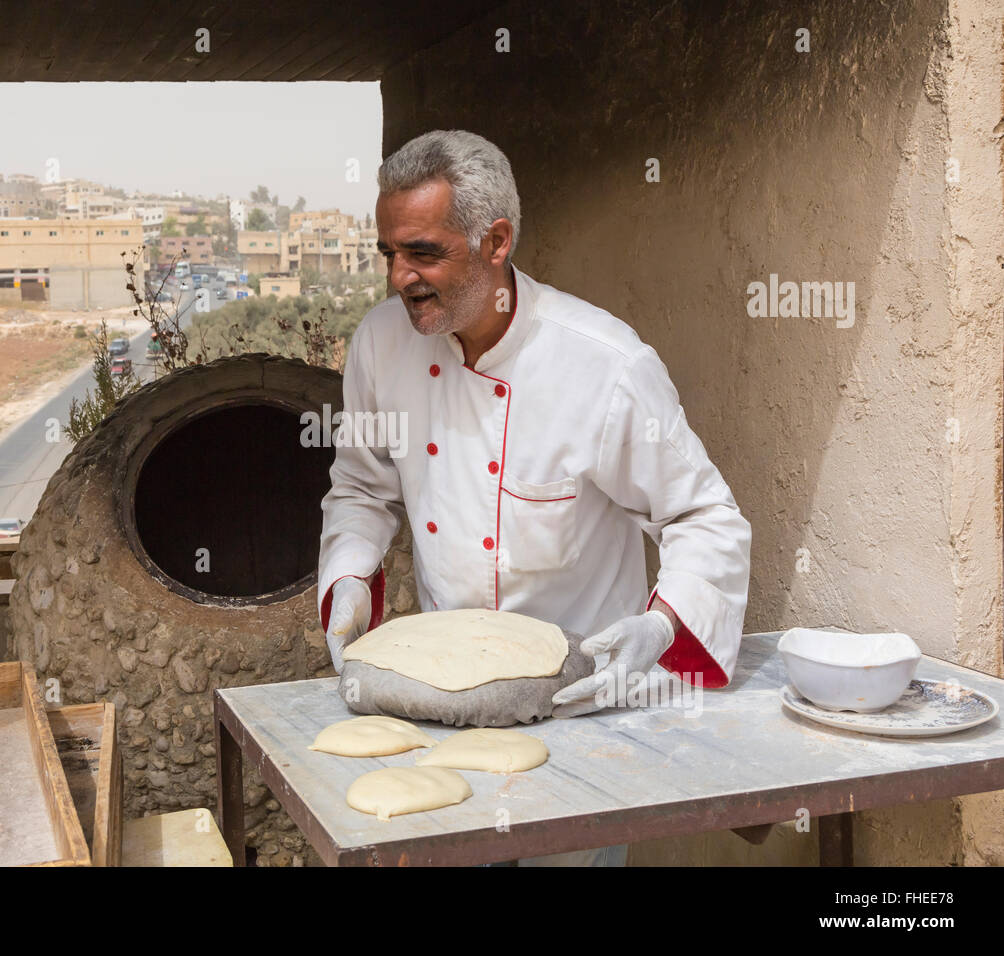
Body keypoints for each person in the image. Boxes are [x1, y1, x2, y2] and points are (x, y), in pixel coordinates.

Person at [316, 129, 752, 866]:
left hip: (582, 711)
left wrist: (661, 626)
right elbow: (362, 486)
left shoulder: (605, 364)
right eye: (388, 252)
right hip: (444, 705)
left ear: (495, 242)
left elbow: (703, 516)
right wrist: (350, 580)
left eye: (423, 253)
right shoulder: (380, 347)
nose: (398, 277)